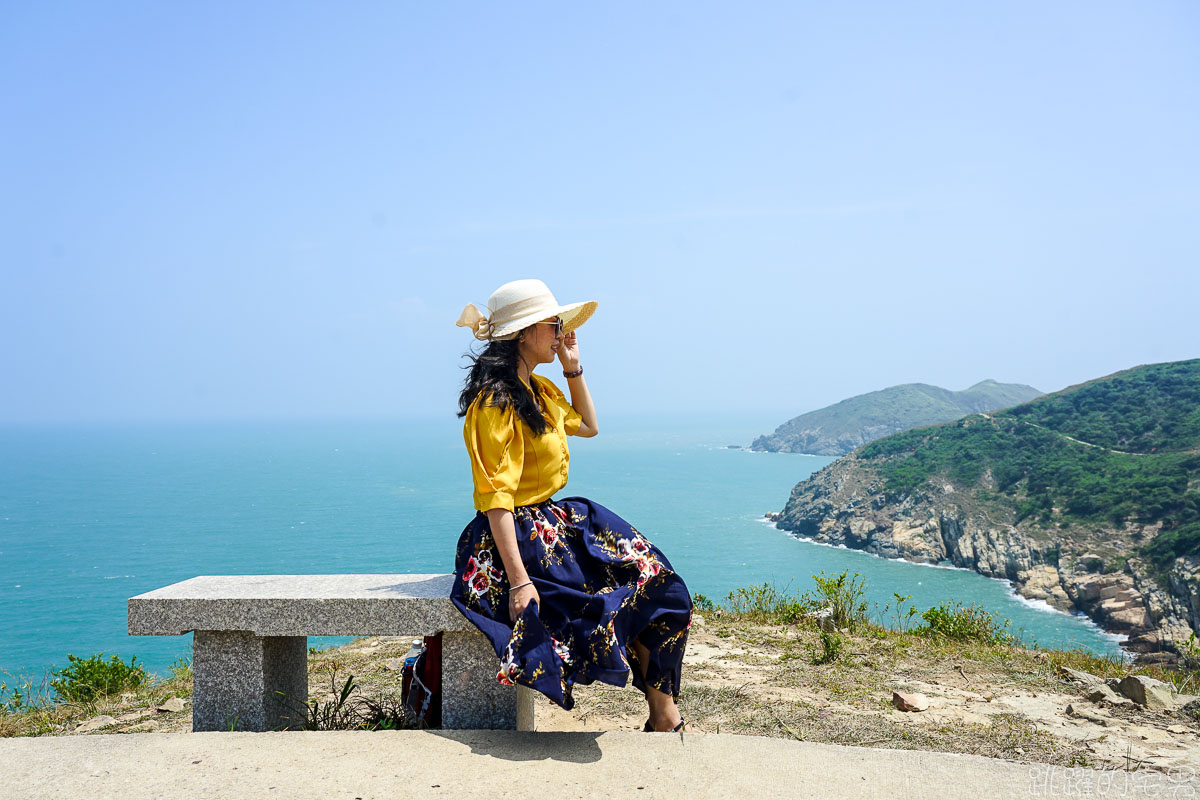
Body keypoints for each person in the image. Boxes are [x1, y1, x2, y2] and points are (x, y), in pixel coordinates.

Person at [449, 278, 692, 733]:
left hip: (554, 520)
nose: (561, 331)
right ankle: (664, 717)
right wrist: (520, 582)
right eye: (552, 324)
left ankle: (663, 712)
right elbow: (496, 497)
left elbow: (589, 426)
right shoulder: (495, 402)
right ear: (523, 332)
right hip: (514, 534)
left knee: (658, 581)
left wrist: (573, 367)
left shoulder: (539, 391)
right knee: (600, 603)